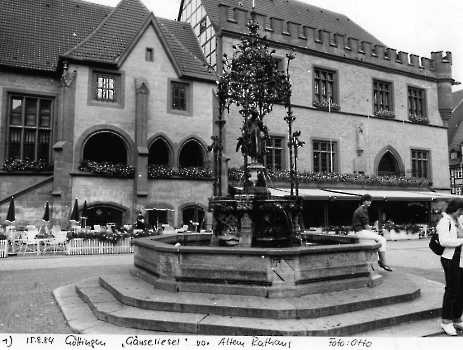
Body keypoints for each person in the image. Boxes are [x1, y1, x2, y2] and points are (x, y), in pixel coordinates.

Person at [437, 198, 463, 336]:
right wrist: (461, 241)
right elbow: (444, 241)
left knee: (461, 290)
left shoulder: (458, 220)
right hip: (450, 258)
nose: (461, 213)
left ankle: (457, 318)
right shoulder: (444, 222)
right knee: (452, 290)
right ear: (454, 209)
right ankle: (446, 321)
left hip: (461, 258)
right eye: (460, 210)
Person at [352, 194, 392, 272]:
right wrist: (373, 232)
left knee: (376, 239)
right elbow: (366, 225)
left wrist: (373, 232)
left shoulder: (359, 209)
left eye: (370, 201)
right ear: (364, 201)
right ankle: (383, 262)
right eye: (367, 201)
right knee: (382, 239)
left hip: (359, 231)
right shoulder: (363, 209)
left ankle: (378, 260)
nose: (369, 202)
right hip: (360, 232)